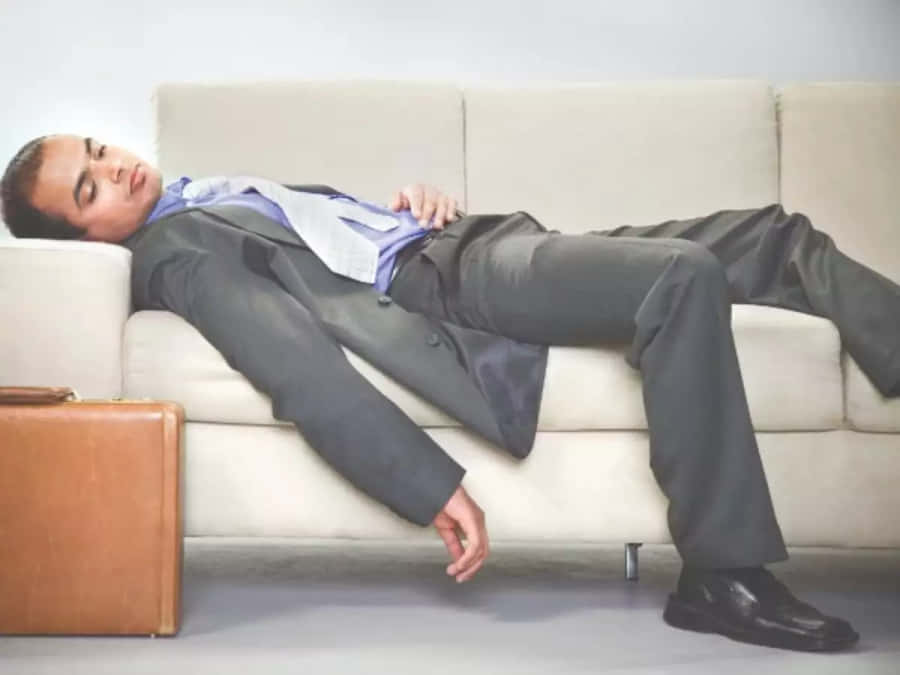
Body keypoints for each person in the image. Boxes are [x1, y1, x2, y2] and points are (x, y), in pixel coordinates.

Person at [6, 132, 897, 653]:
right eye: (88, 187)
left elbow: (335, 248)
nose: (113, 167)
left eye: (97, 150)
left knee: (775, 237)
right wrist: (428, 483)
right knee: (684, 275)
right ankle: (723, 573)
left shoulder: (200, 193)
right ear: (84, 239)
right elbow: (293, 363)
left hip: (465, 241)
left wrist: (405, 207)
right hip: (457, 282)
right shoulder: (177, 252)